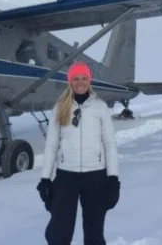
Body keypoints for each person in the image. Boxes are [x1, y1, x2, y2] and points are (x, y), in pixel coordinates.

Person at [37, 60, 120, 245]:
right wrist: (45, 179)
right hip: (66, 177)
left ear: (89, 81)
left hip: (95, 177)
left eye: (83, 78)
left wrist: (113, 179)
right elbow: (51, 145)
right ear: (70, 81)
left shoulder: (100, 107)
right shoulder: (60, 107)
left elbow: (109, 145)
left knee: (94, 233)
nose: (80, 82)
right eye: (76, 78)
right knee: (58, 233)